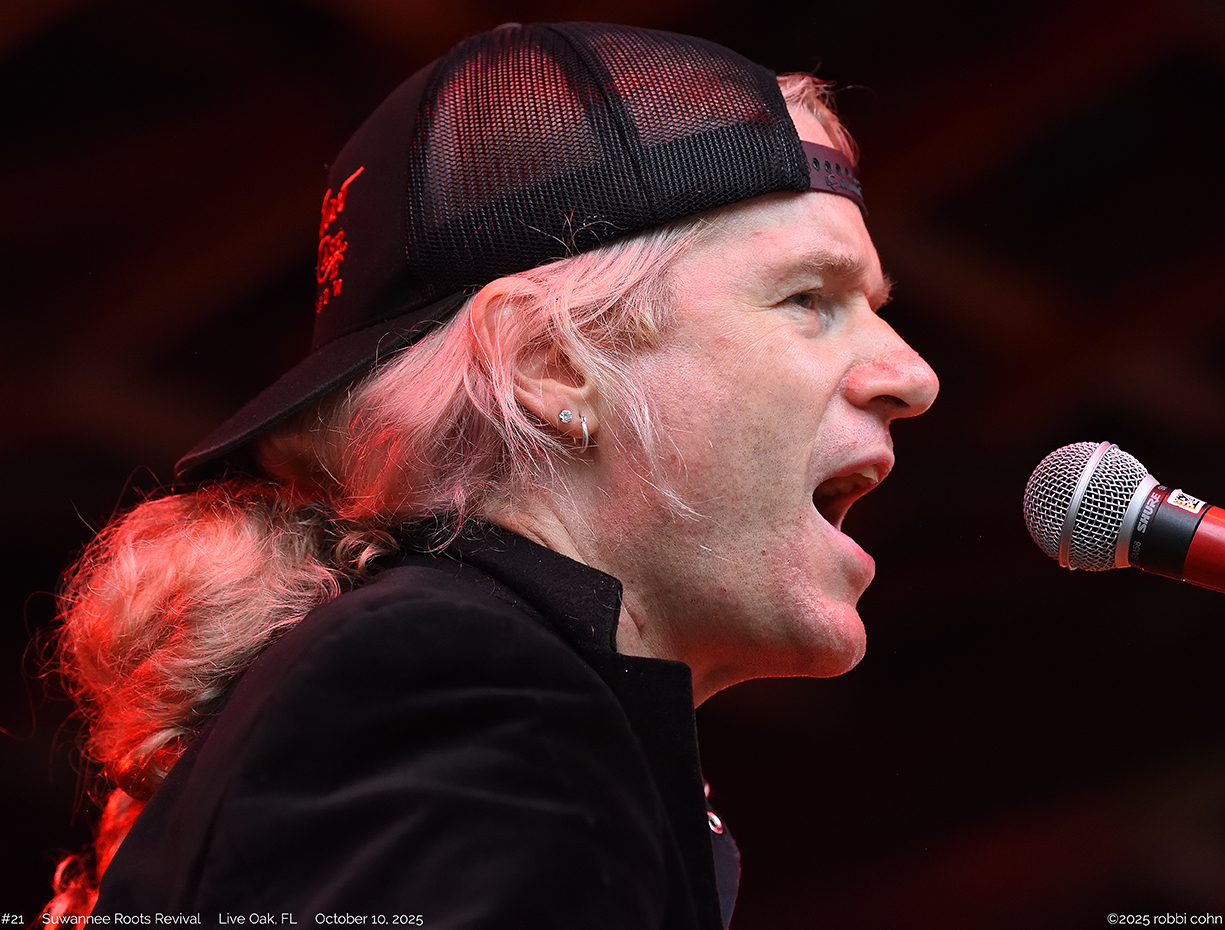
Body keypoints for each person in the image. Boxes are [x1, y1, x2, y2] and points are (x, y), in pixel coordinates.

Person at [46, 21, 938, 928]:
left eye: (873, 307)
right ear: (551, 366)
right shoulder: (455, 682)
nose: (912, 375)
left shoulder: (448, 691)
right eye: (808, 298)